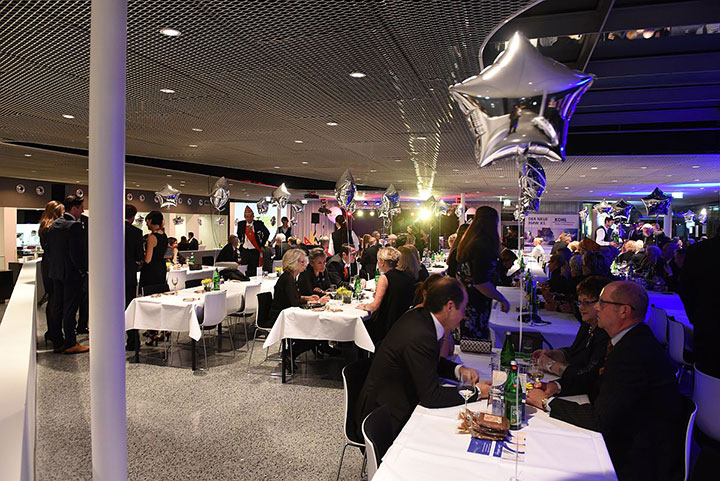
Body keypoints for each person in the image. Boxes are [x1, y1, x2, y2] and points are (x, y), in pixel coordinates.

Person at [527, 281, 686, 481]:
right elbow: (595, 379)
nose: (596, 307)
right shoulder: (629, 339)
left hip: (636, 459)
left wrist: (545, 402)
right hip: (629, 437)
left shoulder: (633, 353)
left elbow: (600, 420)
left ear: (624, 311)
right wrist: (557, 387)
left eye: (602, 303)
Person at [356, 277, 492, 436]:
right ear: (449, 306)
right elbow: (431, 397)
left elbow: (428, 361)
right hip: (384, 419)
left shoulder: (421, 317)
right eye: (463, 308)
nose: (464, 315)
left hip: (393, 403)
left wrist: (458, 370)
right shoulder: (421, 334)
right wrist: (476, 392)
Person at [534, 276, 611, 379]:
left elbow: (588, 376)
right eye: (580, 302)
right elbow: (574, 352)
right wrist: (555, 354)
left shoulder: (605, 334)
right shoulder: (587, 326)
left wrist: (551, 365)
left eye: (586, 302)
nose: (581, 307)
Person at [453, 207, 510, 339]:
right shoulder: (482, 246)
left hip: (465, 301)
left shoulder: (468, 243)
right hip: (476, 305)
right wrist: (502, 299)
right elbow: (481, 283)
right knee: (477, 342)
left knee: (468, 341)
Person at [269, 249, 329, 367]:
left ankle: (291, 353)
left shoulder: (291, 277)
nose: (305, 264)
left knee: (318, 330)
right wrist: (317, 302)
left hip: (287, 313)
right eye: (302, 262)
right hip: (281, 317)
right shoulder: (288, 279)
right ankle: (290, 353)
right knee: (317, 332)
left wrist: (306, 298)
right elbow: (294, 303)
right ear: (293, 263)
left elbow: (294, 298)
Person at [46, 195, 89, 354]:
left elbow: (49, 249)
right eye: (81, 208)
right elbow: (76, 253)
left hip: (56, 273)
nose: (82, 211)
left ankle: (58, 341)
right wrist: (82, 270)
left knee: (58, 307)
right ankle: (71, 342)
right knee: (70, 309)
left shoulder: (55, 224)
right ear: (75, 208)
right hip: (71, 275)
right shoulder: (74, 226)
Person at [679, 232, 720, 377]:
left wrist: (695, 316)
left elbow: (684, 287)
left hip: (706, 321)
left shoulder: (698, 250)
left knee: (706, 371)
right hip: (705, 319)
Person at [358, 247, 416, 345]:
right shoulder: (407, 276)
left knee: (362, 324)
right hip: (402, 322)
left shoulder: (384, 278)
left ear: (382, 262)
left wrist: (363, 306)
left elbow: (375, 306)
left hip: (386, 324)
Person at [139, 211, 169, 345]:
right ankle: (164, 329)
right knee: (160, 300)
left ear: (151, 220)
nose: (146, 224)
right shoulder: (164, 235)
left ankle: (152, 333)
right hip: (161, 269)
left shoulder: (152, 237)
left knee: (150, 302)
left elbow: (148, 259)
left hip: (151, 271)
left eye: (147, 221)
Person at [39, 201, 64, 349]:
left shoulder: (43, 227)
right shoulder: (53, 229)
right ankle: (56, 336)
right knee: (56, 301)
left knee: (52, 299)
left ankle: (52, 332)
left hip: (47, 265)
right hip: (54, 266)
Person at [412, 274, 454, 358]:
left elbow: (450, 351)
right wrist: (446, 332)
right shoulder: (419, 316)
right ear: (425, 295)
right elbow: (441, 357)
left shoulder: (438, 315)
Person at [124, 204, 144, 351]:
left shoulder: (110, 229)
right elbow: (139, 256)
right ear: (132, 217)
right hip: (129, 274)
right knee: (129, 307)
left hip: (111, 276)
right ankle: (133, 340)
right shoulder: (136, 232)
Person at [236, 206, 270, 275]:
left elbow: (267, 233)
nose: (249, 218)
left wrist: (262, 244)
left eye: (250, 216)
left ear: (253, 216)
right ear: (245, 217)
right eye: (247, 217)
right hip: (244, 250)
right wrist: (242, 242)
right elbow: (239, 234)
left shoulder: (258, 224)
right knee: (244, 268)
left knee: (254, 269)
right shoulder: (241, 224)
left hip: (254, 250)